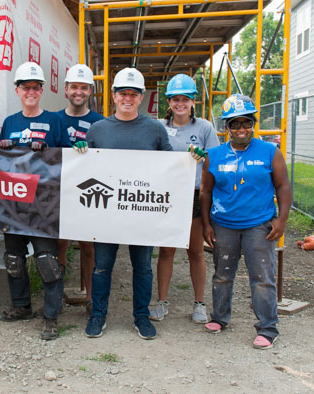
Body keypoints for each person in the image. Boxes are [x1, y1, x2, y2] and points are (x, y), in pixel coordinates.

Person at [77, 67, 172, 340]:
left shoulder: (155, 129)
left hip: (141, 211)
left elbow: (170, 166)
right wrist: (80, 153)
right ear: (113, 95)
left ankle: (141, 317)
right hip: (106, 212)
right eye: (122, 93)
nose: (127, 98)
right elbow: (85, 167)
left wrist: (191, 159)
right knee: (102, 266)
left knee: (142, 266)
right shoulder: (98, 130)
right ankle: (98, 315)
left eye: (133, 93)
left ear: (141, 97)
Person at [200, 93, 291, 349]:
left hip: (258, 226)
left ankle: (267, 328)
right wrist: (207, 224)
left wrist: (281, 221)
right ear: (226, 127)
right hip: (224, 224)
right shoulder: (214, 155)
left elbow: (283, 186)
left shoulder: (270, 152)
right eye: (235, 124)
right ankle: (219, 317)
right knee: (222, 274)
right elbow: (206, 191)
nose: (241, 129)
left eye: (246, 122)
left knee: (262, 277)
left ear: (253, 123)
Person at [0, 61, 70, 341]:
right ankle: (21, 306)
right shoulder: (10, 123)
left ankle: (51, 317)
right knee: (14, 258)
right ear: (17, 90)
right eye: (25, 87)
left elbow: (66, 159)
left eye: (35, 87)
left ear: (41, 91)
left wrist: (49, 150)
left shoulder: (55, 121)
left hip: (44, 204)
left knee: (46, 261)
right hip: (14, 205)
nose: (30, 91)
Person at [149, 74, 219, 324]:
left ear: (193, 101)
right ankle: (162, 302)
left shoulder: (204, 128)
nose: (180, 104)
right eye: (175, 99)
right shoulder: (158, 126)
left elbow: (215, 161)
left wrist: (204, 157)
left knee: (195, 251)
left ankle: (199, 303)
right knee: (166, 250)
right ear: (168, 101)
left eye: (185, 99)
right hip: (167, 195)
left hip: (194, 194)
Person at [56, 64, 104, 314]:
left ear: (90, 91)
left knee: (89, 246)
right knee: (60, 246)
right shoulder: (55, 119)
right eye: (74, 86)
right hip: (62, 193)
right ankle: (58, 295)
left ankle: (90, 298)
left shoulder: (100, 122)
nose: (79, 91)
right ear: (66, 89)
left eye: (84, 87)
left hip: (90, 193)